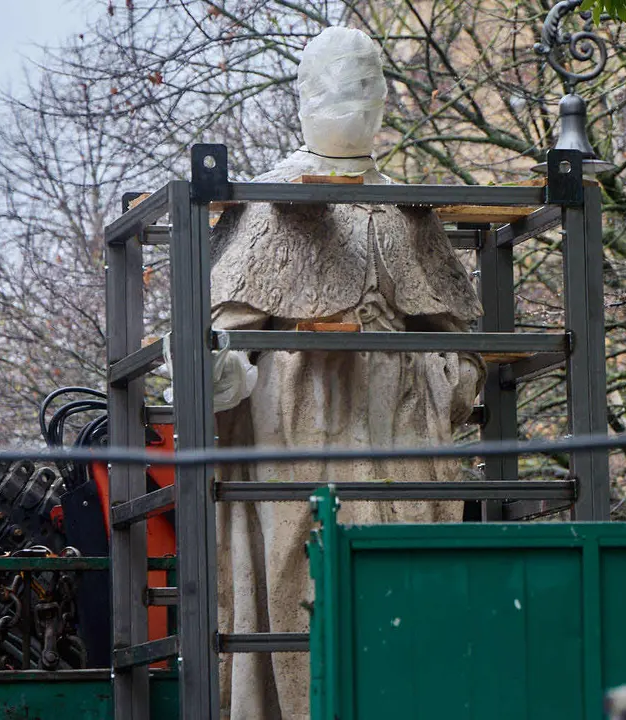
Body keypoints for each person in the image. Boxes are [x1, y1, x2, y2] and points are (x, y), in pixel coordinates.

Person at [206, 26, 485, 718]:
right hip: (298, 421)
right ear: (302, 95)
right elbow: (225, 344)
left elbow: (458, 332)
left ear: (385, 96)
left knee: (405, 577)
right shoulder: (267, 201)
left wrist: (450, 376)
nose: (350, 99)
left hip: (402, 431)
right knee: (300, 586)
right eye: (334, 83)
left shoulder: (406, 206)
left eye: (365, 83)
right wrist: (223, 371)